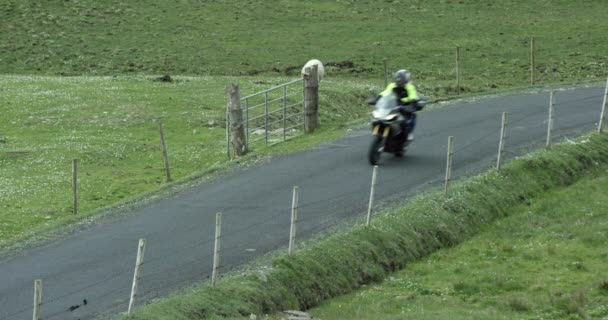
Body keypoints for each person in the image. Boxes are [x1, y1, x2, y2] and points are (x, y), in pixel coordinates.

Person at [379, 69, 423, 141]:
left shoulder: (410, 87)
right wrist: (378, 98)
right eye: (398, 79)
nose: (399, 81)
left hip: (405, 107)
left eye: (401, 80)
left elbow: (413, 96)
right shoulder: (392, 85)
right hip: (393, 105)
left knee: (413, 115)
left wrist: (411, 104)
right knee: (381, 117)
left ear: (405, 80)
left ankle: (409, 133)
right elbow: (385, 93)